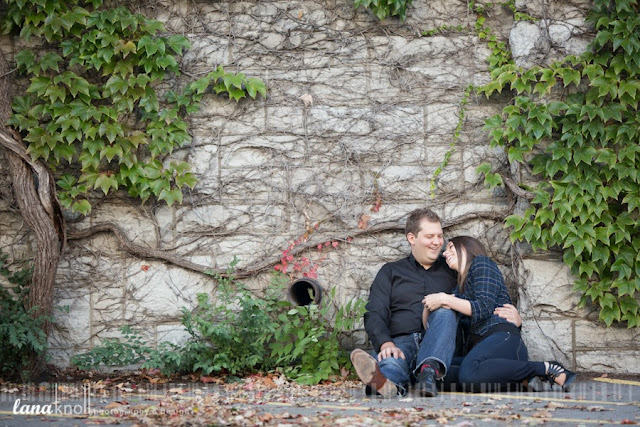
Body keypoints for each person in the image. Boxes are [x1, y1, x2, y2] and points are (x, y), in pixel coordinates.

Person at [422, 236, 577, 392]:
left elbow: (483, 308)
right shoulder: (459, 290)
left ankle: (546, 368)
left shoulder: (481, 263)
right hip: (484, 357)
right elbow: (436, 326)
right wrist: (431, 306)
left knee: (468, 375)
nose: (444, 253)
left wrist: (444, 298)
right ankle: (523, 379)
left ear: (465, 247)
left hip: (502, 340)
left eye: (450, 247)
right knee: (439, 373)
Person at [350, 208, 458, 398]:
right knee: (391, 362)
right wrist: (385, 343)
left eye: (440, 236)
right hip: (401, 343)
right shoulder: (391, 272)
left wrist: (511, 314)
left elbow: (479, 295)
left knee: (445, 312)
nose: (437, 242)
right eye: (430, 236)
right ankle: (385, 384)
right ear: (411, 238)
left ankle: (428, 373)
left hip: (440, 344)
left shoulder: (452, 271)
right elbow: (374, 312)